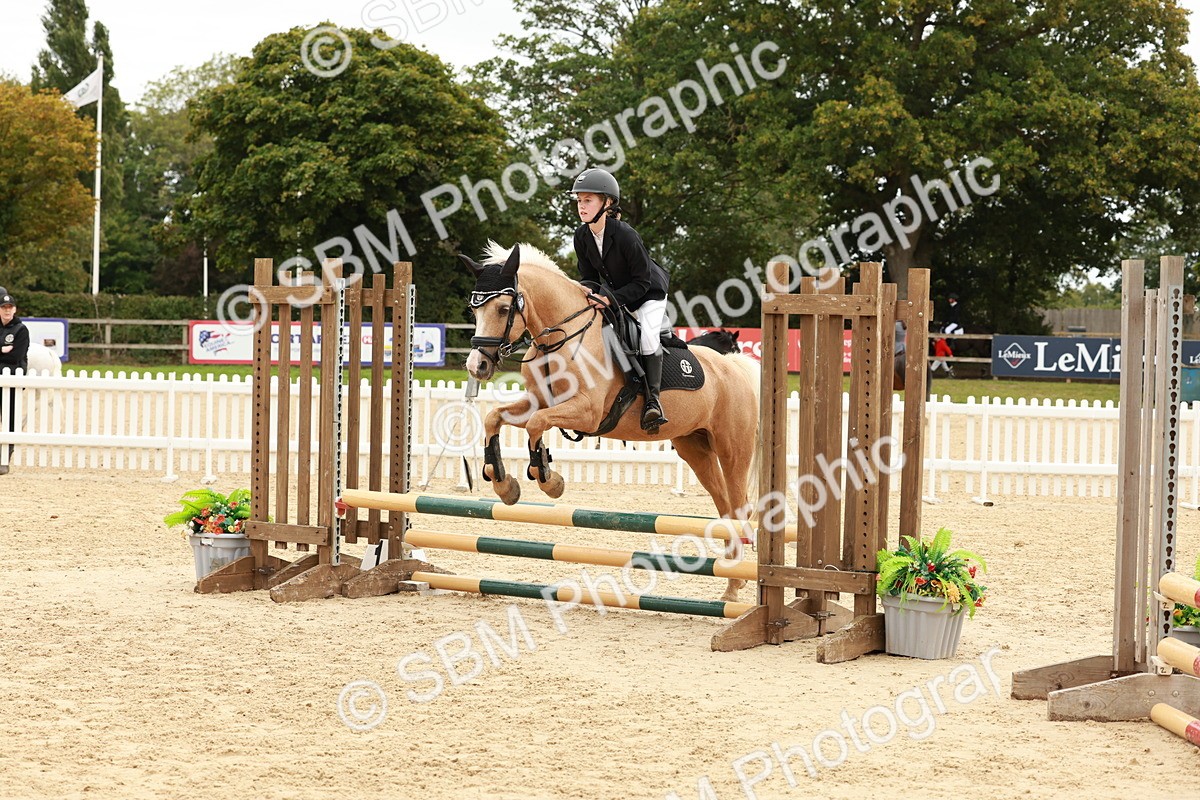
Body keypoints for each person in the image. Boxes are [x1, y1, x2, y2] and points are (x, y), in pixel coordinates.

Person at [570, 168, 671, 431]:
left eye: (588, 200)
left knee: (648, 337)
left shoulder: (626, 235)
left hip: (649, 293)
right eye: (579, 201)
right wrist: (587, 294)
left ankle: (653, 402)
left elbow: (642, 282)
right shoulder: (581, 236)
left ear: (608, 202)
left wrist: (608, 299)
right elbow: (589, 276)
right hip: (616, 294)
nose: (582, 207)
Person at [0, 288, 29, 475]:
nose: (7, 310)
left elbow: (16, 356)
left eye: (10, 307)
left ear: (15, 309)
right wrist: (2, 350)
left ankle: (4, 459)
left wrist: (5, 353)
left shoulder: (21, 330)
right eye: (4, 307)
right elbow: (6, 355)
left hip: (11, 381)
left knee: (9, 420)